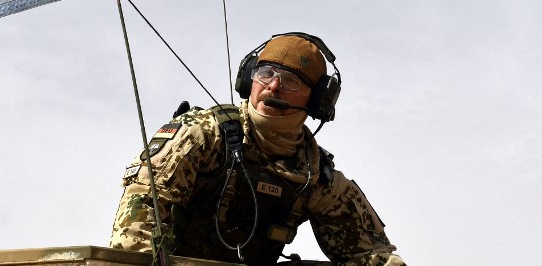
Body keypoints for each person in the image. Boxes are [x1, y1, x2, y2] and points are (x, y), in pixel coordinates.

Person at [109, 33, 406, 266]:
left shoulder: (315, 174)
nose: (273, 86)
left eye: (291, 81)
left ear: (317, 101)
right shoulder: (202, 134)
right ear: (249, 77)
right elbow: (141, 212)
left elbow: (371, 256)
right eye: (266, 73)